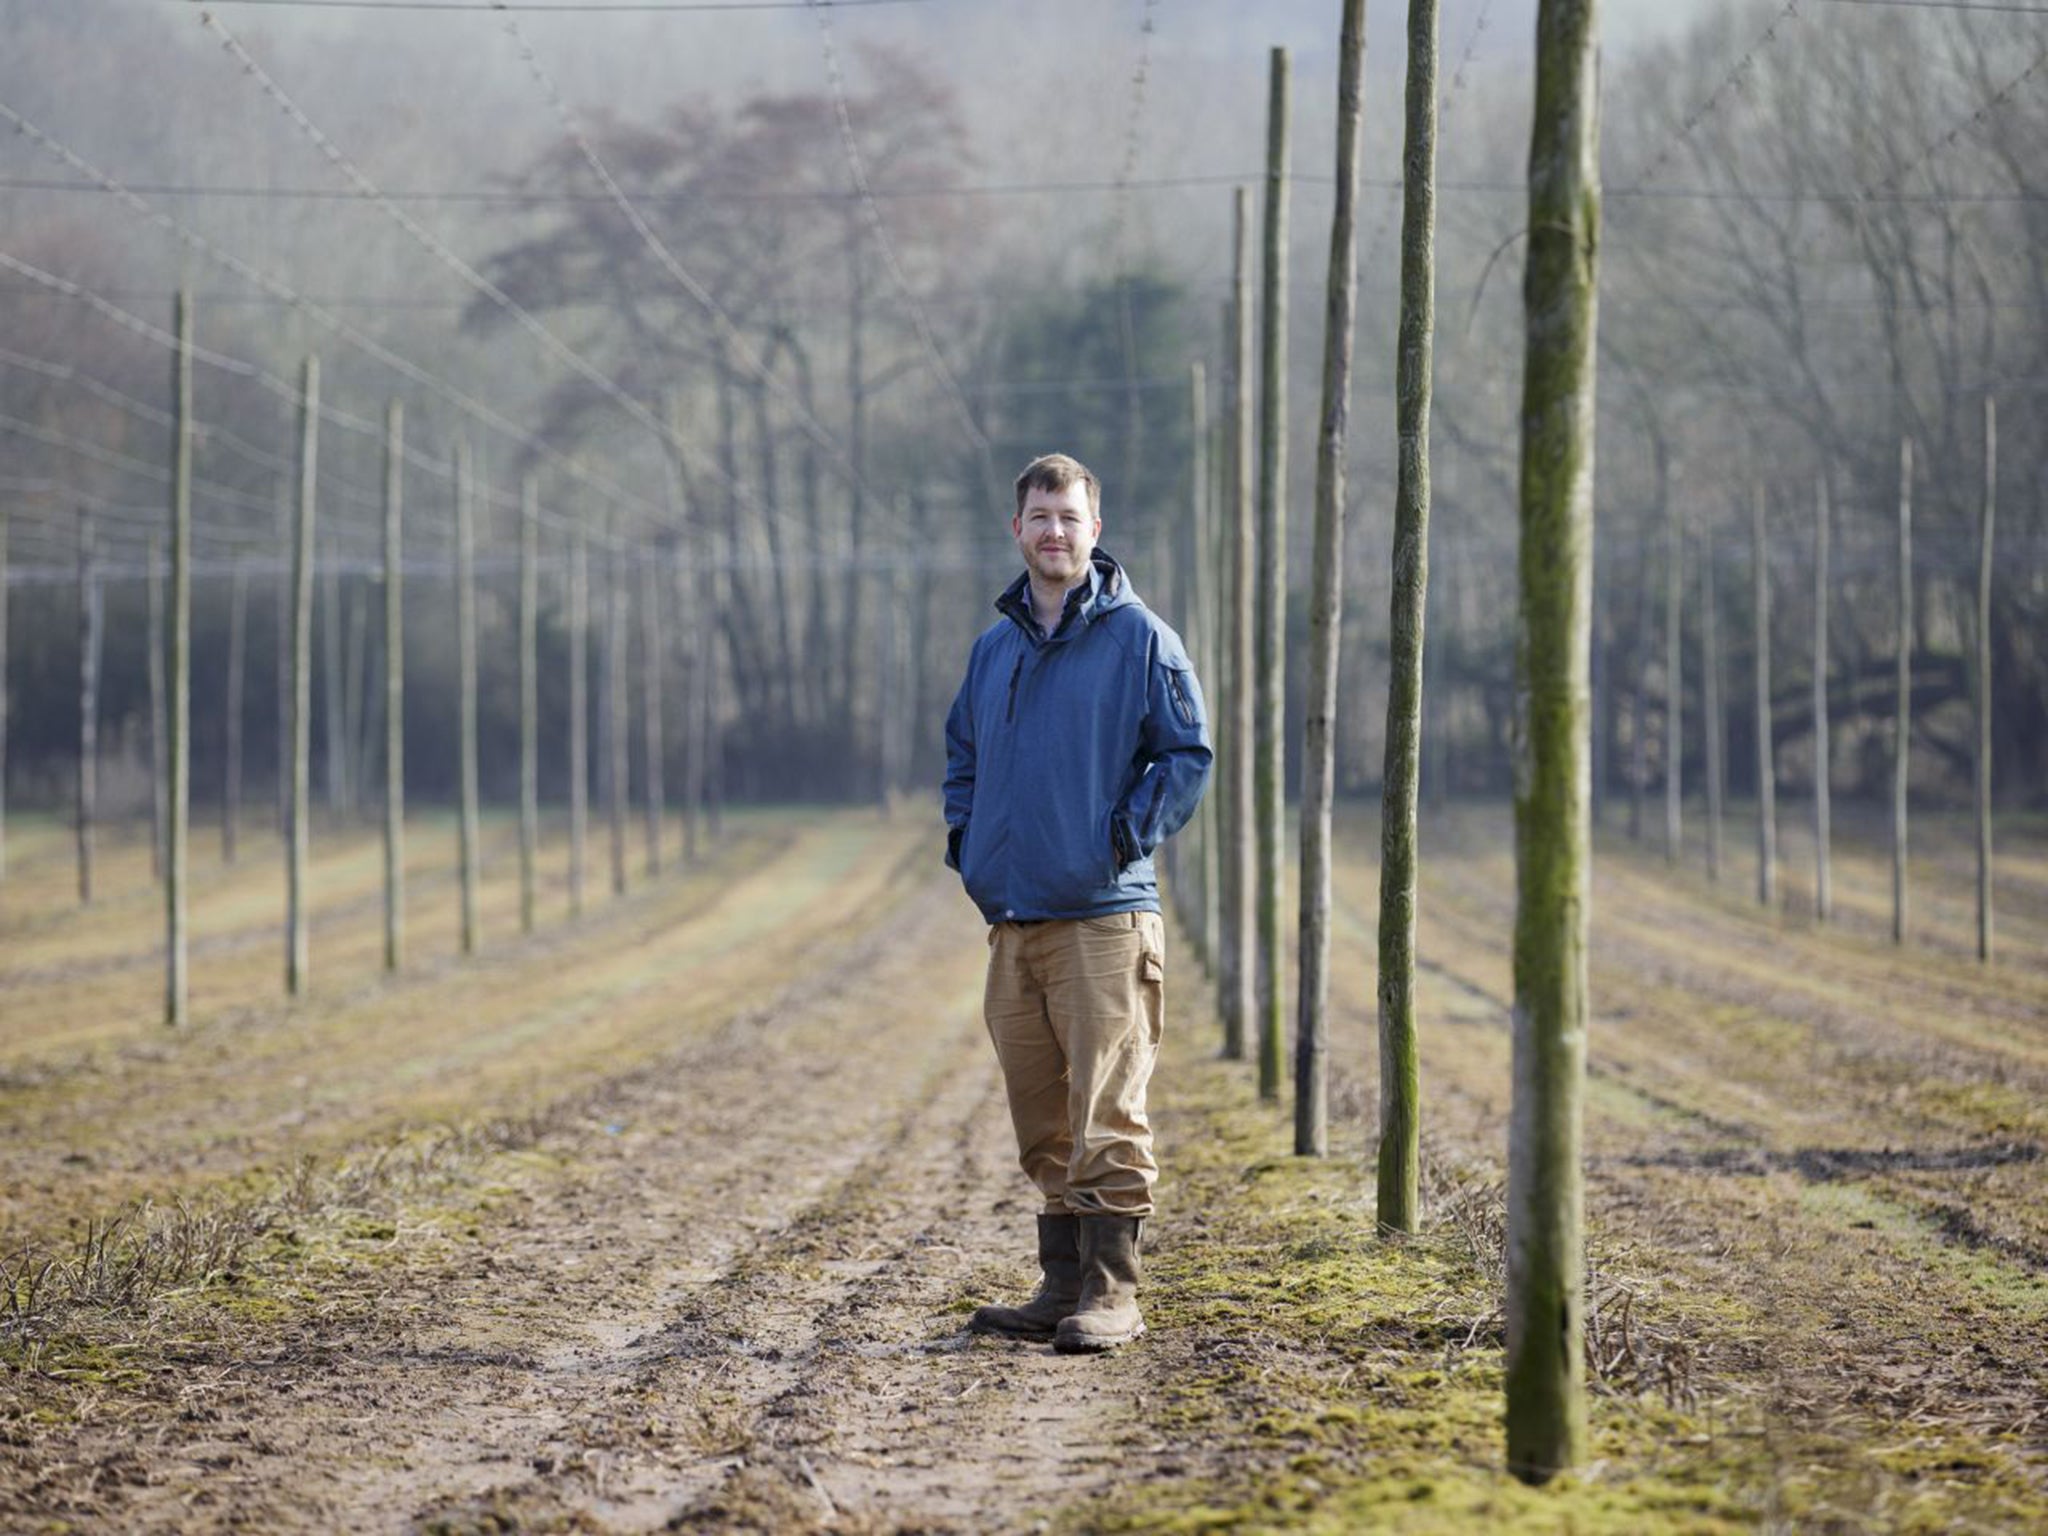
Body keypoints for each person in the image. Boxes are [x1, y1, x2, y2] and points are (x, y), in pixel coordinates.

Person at [943, 452, 1212, 1354]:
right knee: (1042, 1116)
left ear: (1095, 530)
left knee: (1108, 1109)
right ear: (1015, 530)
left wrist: (1123, 837)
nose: (1054, 531)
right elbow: (963, 760)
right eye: (1040, 516)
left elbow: (1186, 755)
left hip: (1104, 918)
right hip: (1014, 919)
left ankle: (1112, 1291)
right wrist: (970, 850)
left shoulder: (1139, 638)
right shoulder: (995, 648)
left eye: (1070, 516)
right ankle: (1060, 1284)